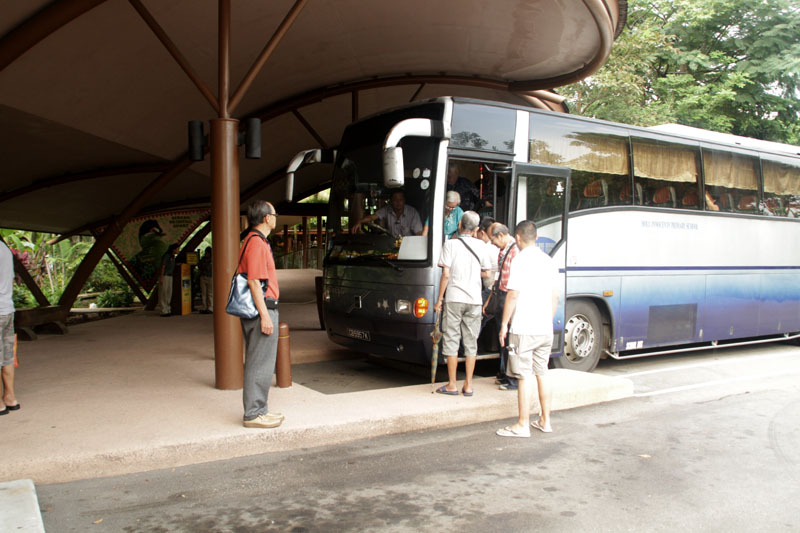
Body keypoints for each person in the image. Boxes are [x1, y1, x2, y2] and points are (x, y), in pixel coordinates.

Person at [496, 220, 559, 438]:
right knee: (542, 372)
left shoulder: (519, 260)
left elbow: (512, 294)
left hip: (524, 328)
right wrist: (547, 321)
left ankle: (523, 424)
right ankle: (545, 420)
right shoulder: (548, 261)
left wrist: (504, 324)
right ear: (537, 238)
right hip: (544, 329)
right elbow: (555, 296)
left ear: (518, 237)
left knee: (523, 376)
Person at [433, 211, 492, 396]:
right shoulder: (482, 246)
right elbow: (488, 274)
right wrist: (474, 273)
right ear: (475, 229)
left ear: (459, 225)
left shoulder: (450, 244)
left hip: (454, 298)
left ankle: (452, 384)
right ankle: (468, 385)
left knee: (451, 340)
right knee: (471, 342)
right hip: (474, 300)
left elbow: (446, 274)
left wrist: (439, 300)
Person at [238, 200, 284, 429]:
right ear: (267, 218)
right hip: (262, 309)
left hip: (261, 308)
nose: (276, 217)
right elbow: (255, 282)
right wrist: (265, 316)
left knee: (260, 360)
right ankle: (254, 413)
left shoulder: (255, 240)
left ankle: (260, 410)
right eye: (274, 214)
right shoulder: (256, 243)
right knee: (260, 362)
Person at [486, 223, 519, 391]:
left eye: (492, 239)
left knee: (508, 340)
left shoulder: (515, 251)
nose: (491, 243)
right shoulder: (504, 250)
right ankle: (503, 372)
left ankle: (512, 378)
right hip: (500, 296)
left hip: (508, 297)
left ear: (500, 235)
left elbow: (513, 286)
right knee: (502, 339)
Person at [354, 190, 423, 237]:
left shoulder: (412, 212)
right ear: (391, 201)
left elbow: (419, 233)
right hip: (392, 246)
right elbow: (372, 217)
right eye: (395, 200)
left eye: (400, 200)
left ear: (404, 201)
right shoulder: (387, 209)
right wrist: (360, 221)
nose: (398, 202)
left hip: (408, 246)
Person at [0, 240, 19, 415]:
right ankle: (10, 398)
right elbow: (11, 280)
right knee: (6, 356)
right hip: (8, 310)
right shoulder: (5, 250)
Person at [158, 243, 178, 317]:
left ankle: (168, 309)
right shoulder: (167, 256)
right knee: (163, 292)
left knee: (169, 292)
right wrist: (161, 276)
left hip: (170, 276)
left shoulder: (173, 257)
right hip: (165, 275)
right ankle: (163, 310)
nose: (178, 250)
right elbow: (163, 266)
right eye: (177, 249)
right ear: (173, 249)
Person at [198, 247, 213, 314]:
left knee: (210, 293)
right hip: (203, 276)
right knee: (204, 293)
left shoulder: (212, 259)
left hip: (210, 277)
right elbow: (199, 266)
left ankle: (210, 308)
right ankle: (204, 307)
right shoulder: (203, 259)